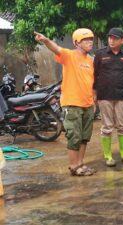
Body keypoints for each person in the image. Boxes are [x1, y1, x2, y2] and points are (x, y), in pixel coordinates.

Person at [34, 29, 96, 176]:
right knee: (74, 136)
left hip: (88, 104)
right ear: (77, 43)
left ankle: (80, 163)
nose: (90, 42)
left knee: (84, 137)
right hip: (72, 103)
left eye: (91, 39)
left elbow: (93, 83)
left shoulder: (91, 60)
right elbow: (56, 48)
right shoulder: (69, 55)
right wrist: (45, 40)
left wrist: (94, 100)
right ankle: (74, 166)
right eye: (85, 40)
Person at [93, 27, 123, 167]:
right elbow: (94, 74)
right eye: (110, 38)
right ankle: (108, 156)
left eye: (115, 38)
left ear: (122, 40)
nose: (112, 40)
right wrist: (94, 93)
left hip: (122, 95)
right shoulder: (100, 54)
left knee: (122, 126)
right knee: (107, 126)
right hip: (104, 95)